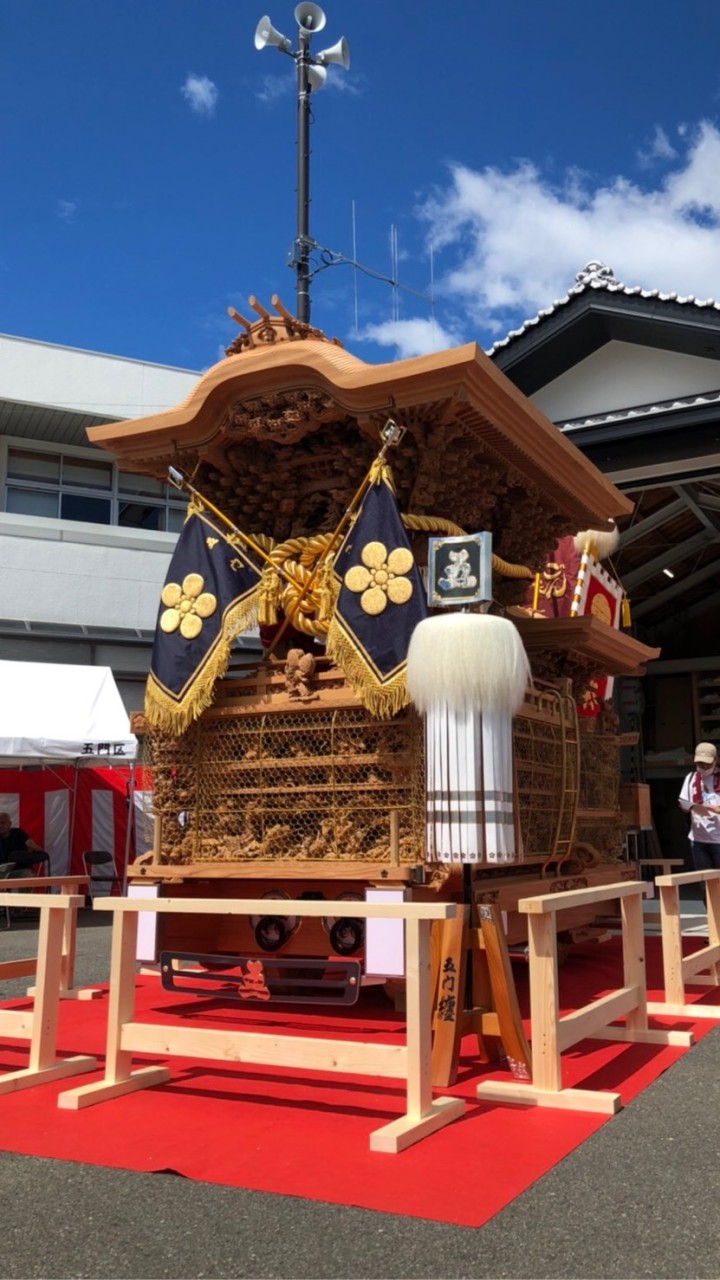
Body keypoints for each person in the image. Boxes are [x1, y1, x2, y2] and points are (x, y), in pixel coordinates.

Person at [678, 743, 720, 871]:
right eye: (701, 763)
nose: (705, 767)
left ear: (715, 760)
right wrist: (690, 807)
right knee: (705, 882)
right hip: (698, 839)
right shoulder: (691, 778)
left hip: (718, 839)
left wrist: (714, 809)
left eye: (708, 763)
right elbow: (683, 803)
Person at [0, 811, 44, 879]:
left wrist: (35, 849)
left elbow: (31, 844)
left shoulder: (18, 833)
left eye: (2, 823)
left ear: (9, 823)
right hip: (2, 872)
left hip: (21, 869)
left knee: (26, 874)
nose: (0, 826)